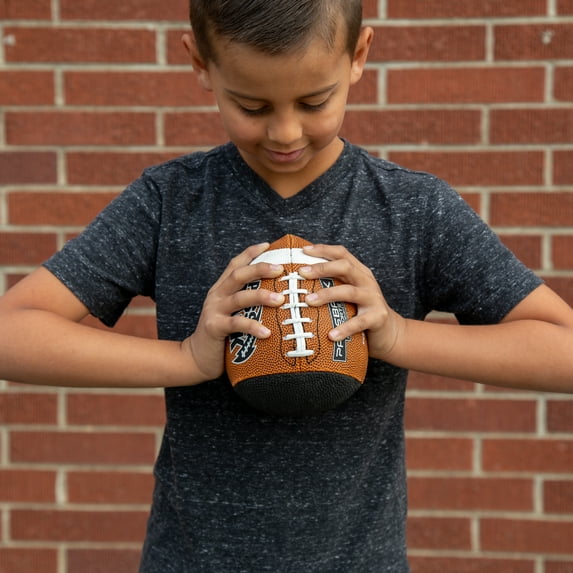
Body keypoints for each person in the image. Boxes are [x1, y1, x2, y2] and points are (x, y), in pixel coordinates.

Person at [0, 1, 572, 571]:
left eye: (314, 102)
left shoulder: (412, 210)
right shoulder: (170, 204)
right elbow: (12, 331)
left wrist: (397, 335)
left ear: (359, 55)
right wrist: (186, 358)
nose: (285, 132)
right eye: (252, 106)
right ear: (200, 63)